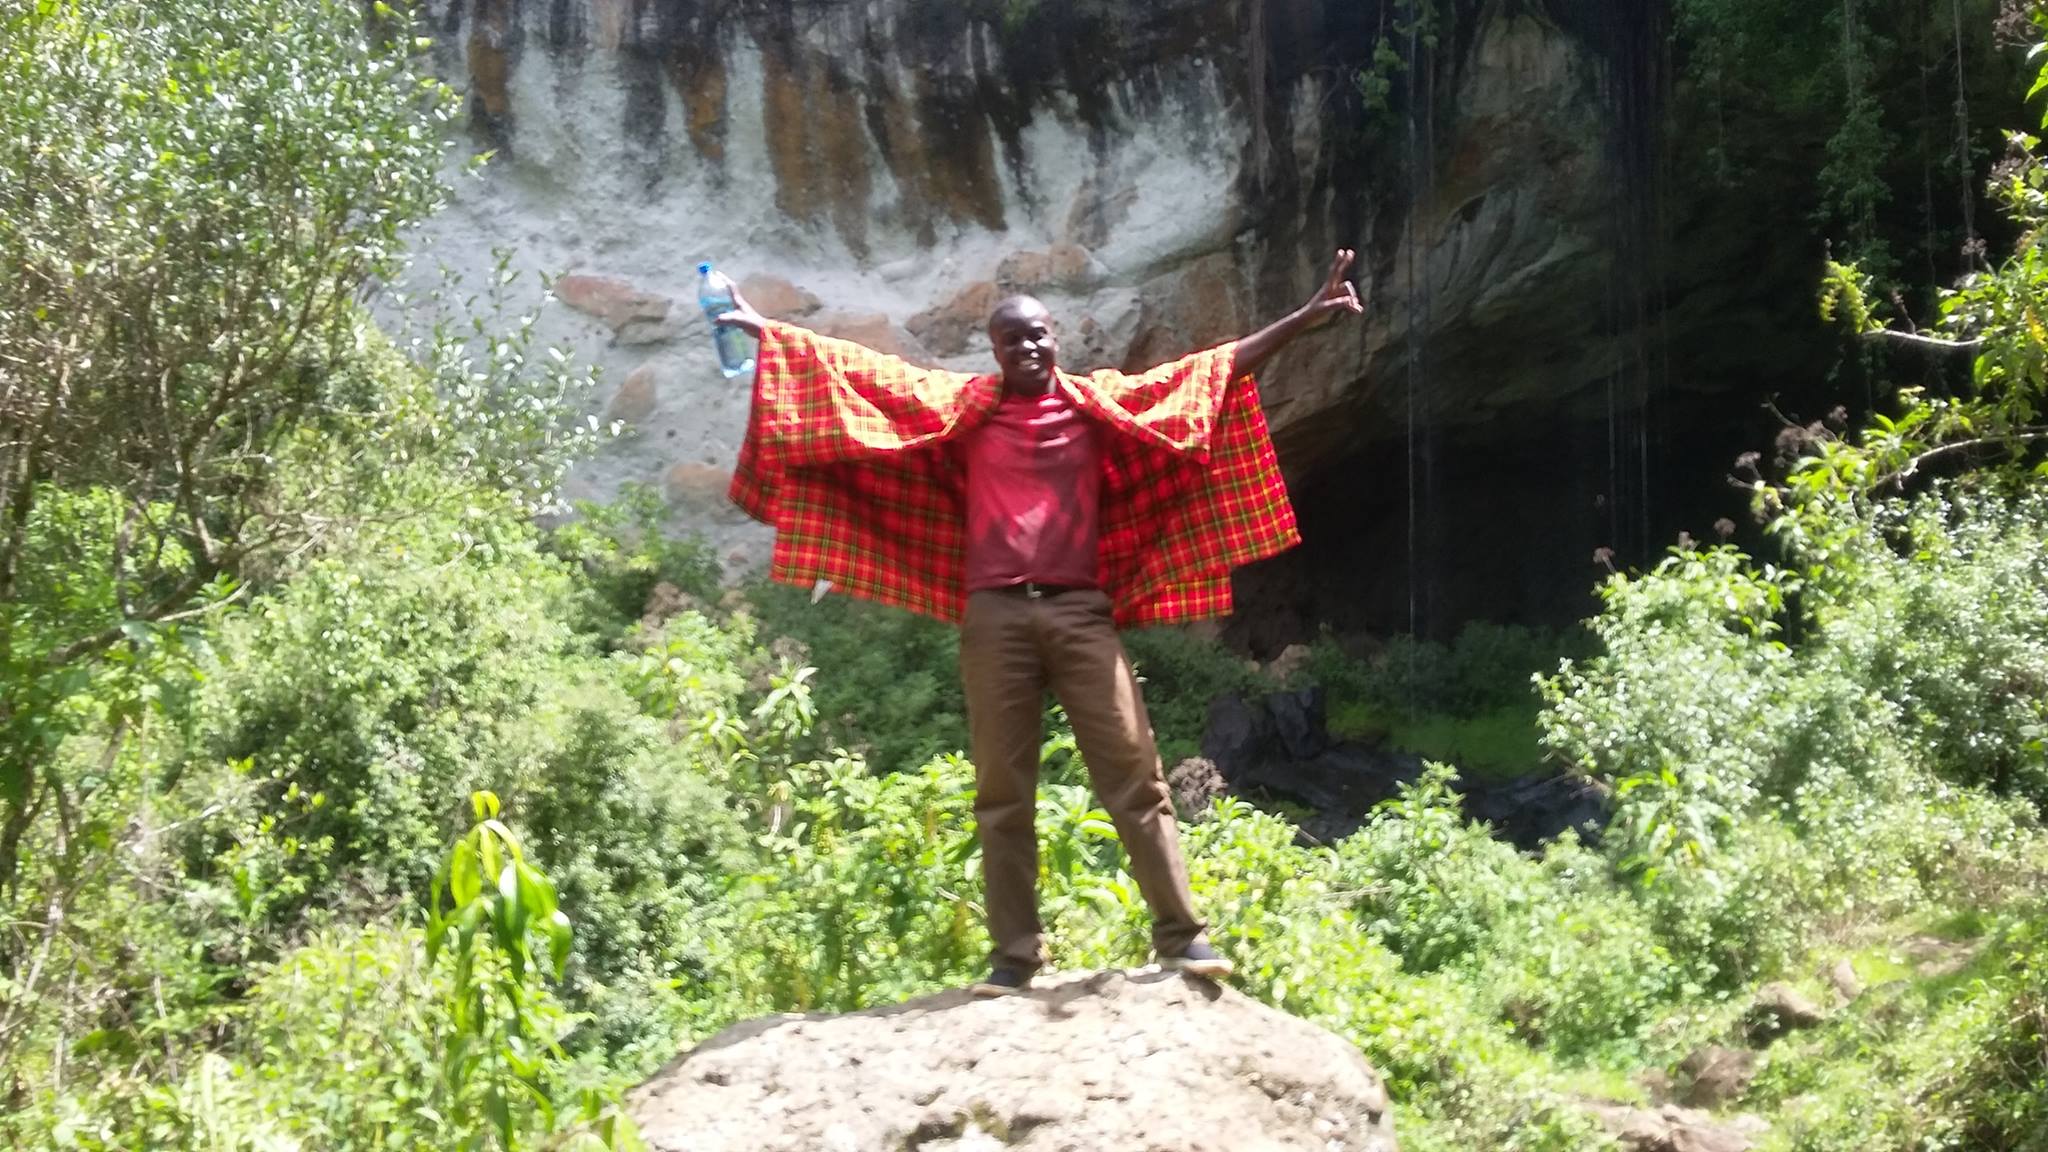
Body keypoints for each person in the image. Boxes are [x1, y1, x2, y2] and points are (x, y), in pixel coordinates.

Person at [713, 251, 1365, 996]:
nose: (1026, 348)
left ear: (1055, 338)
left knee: (1136, 777)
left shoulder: (1099, 407)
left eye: (1036, 336)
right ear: (995, 351)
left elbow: (1210, 375)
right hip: (994, 620)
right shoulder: (966, 409)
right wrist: (767, 332)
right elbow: (860, 379)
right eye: (1011, 340)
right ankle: (1016, 959)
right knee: (1001, 791)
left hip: (1080, 612)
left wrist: (1304, 319)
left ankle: (1182, 938)